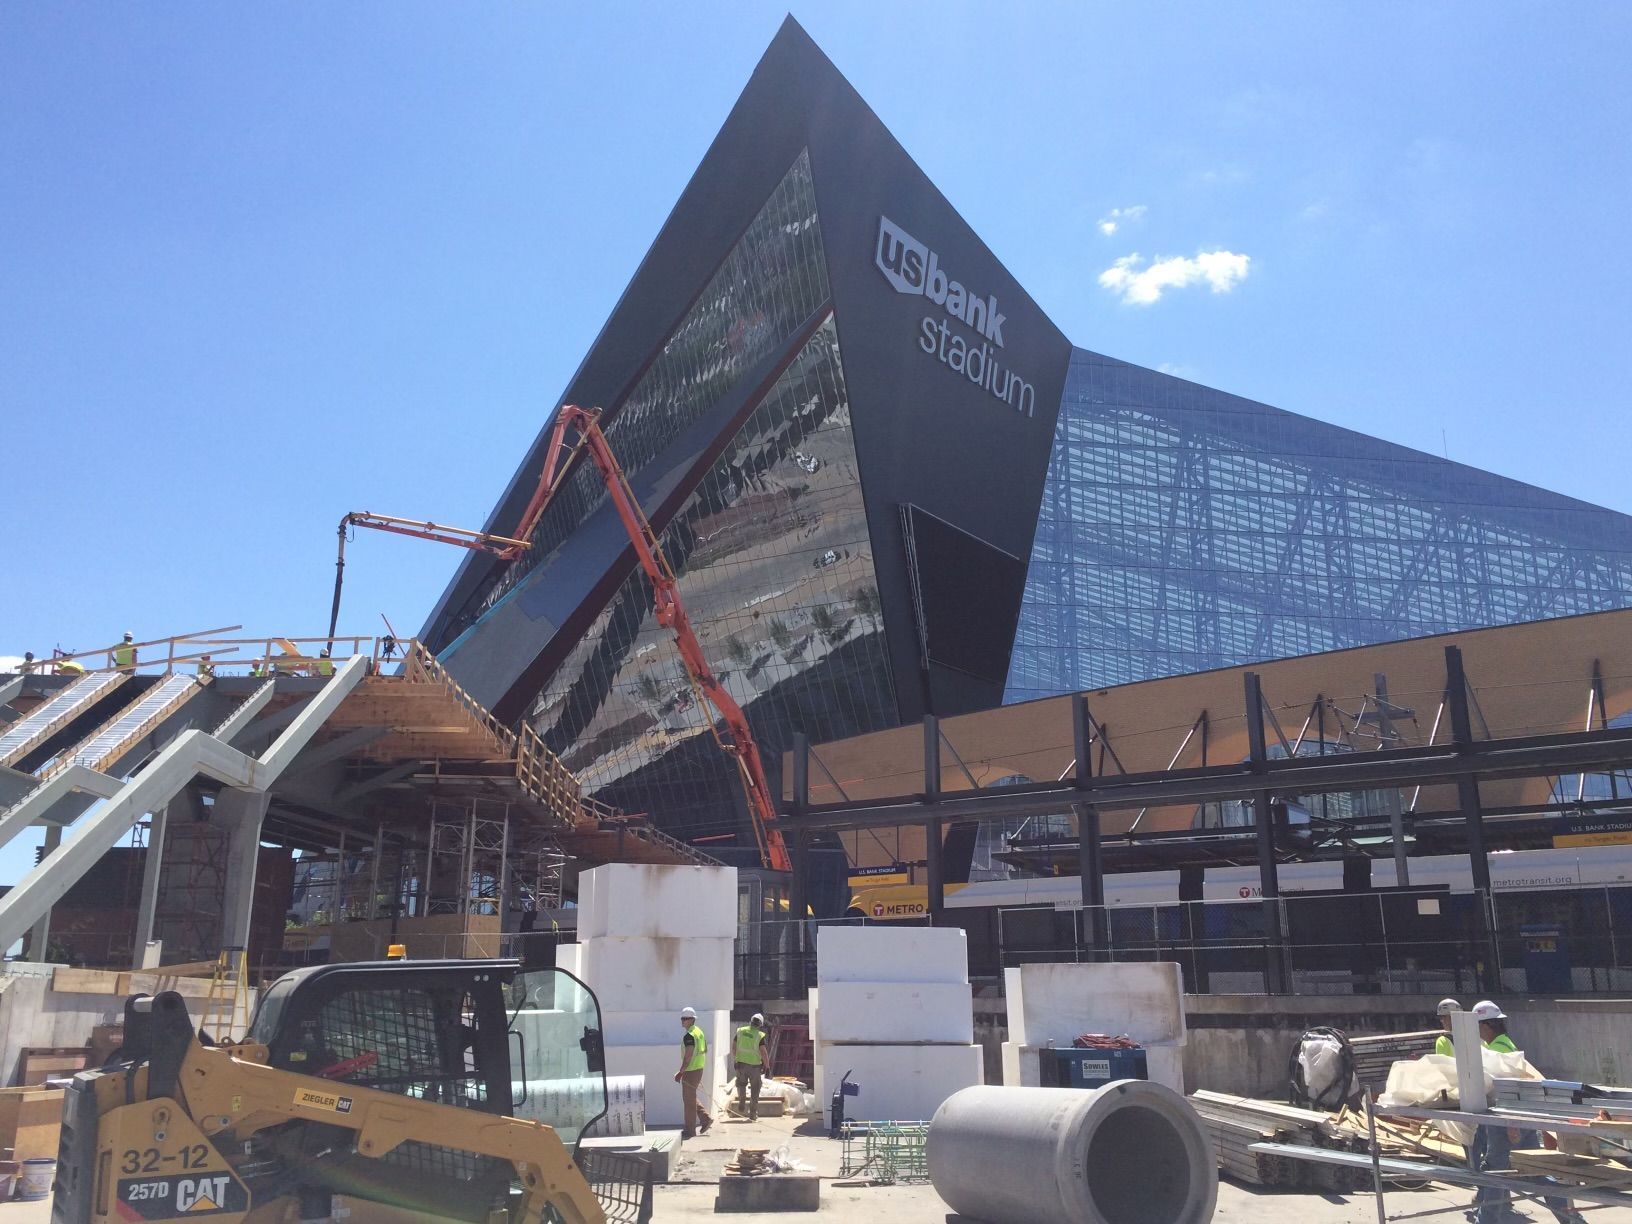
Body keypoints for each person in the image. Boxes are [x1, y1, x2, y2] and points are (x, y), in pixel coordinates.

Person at [673, 1006, 712, 1139]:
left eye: (684, 1019)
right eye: (682, 1018)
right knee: (691, 1098)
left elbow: (688, 1055)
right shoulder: (698, 1032)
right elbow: (703, 1050)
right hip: (698, 1068)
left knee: (688, 1102)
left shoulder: (689, 1035)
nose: (682, 1021)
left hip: (691, 1070)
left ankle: (690, 1130)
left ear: (691, 1020)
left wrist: (681, 1071)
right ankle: (705, 1118)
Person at [733, 1013, 770, 1121]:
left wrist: (735, 1059)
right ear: (760, 1025)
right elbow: (763, 1052)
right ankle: (753, 1114)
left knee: (741, 1084)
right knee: (755, 1089)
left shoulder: (740, 1031)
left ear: (750, 1021)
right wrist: (767, 1066)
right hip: (755, 1066)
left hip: (741, 1064)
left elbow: (734, 1047)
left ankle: (742, 1100)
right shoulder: (759, 1035)